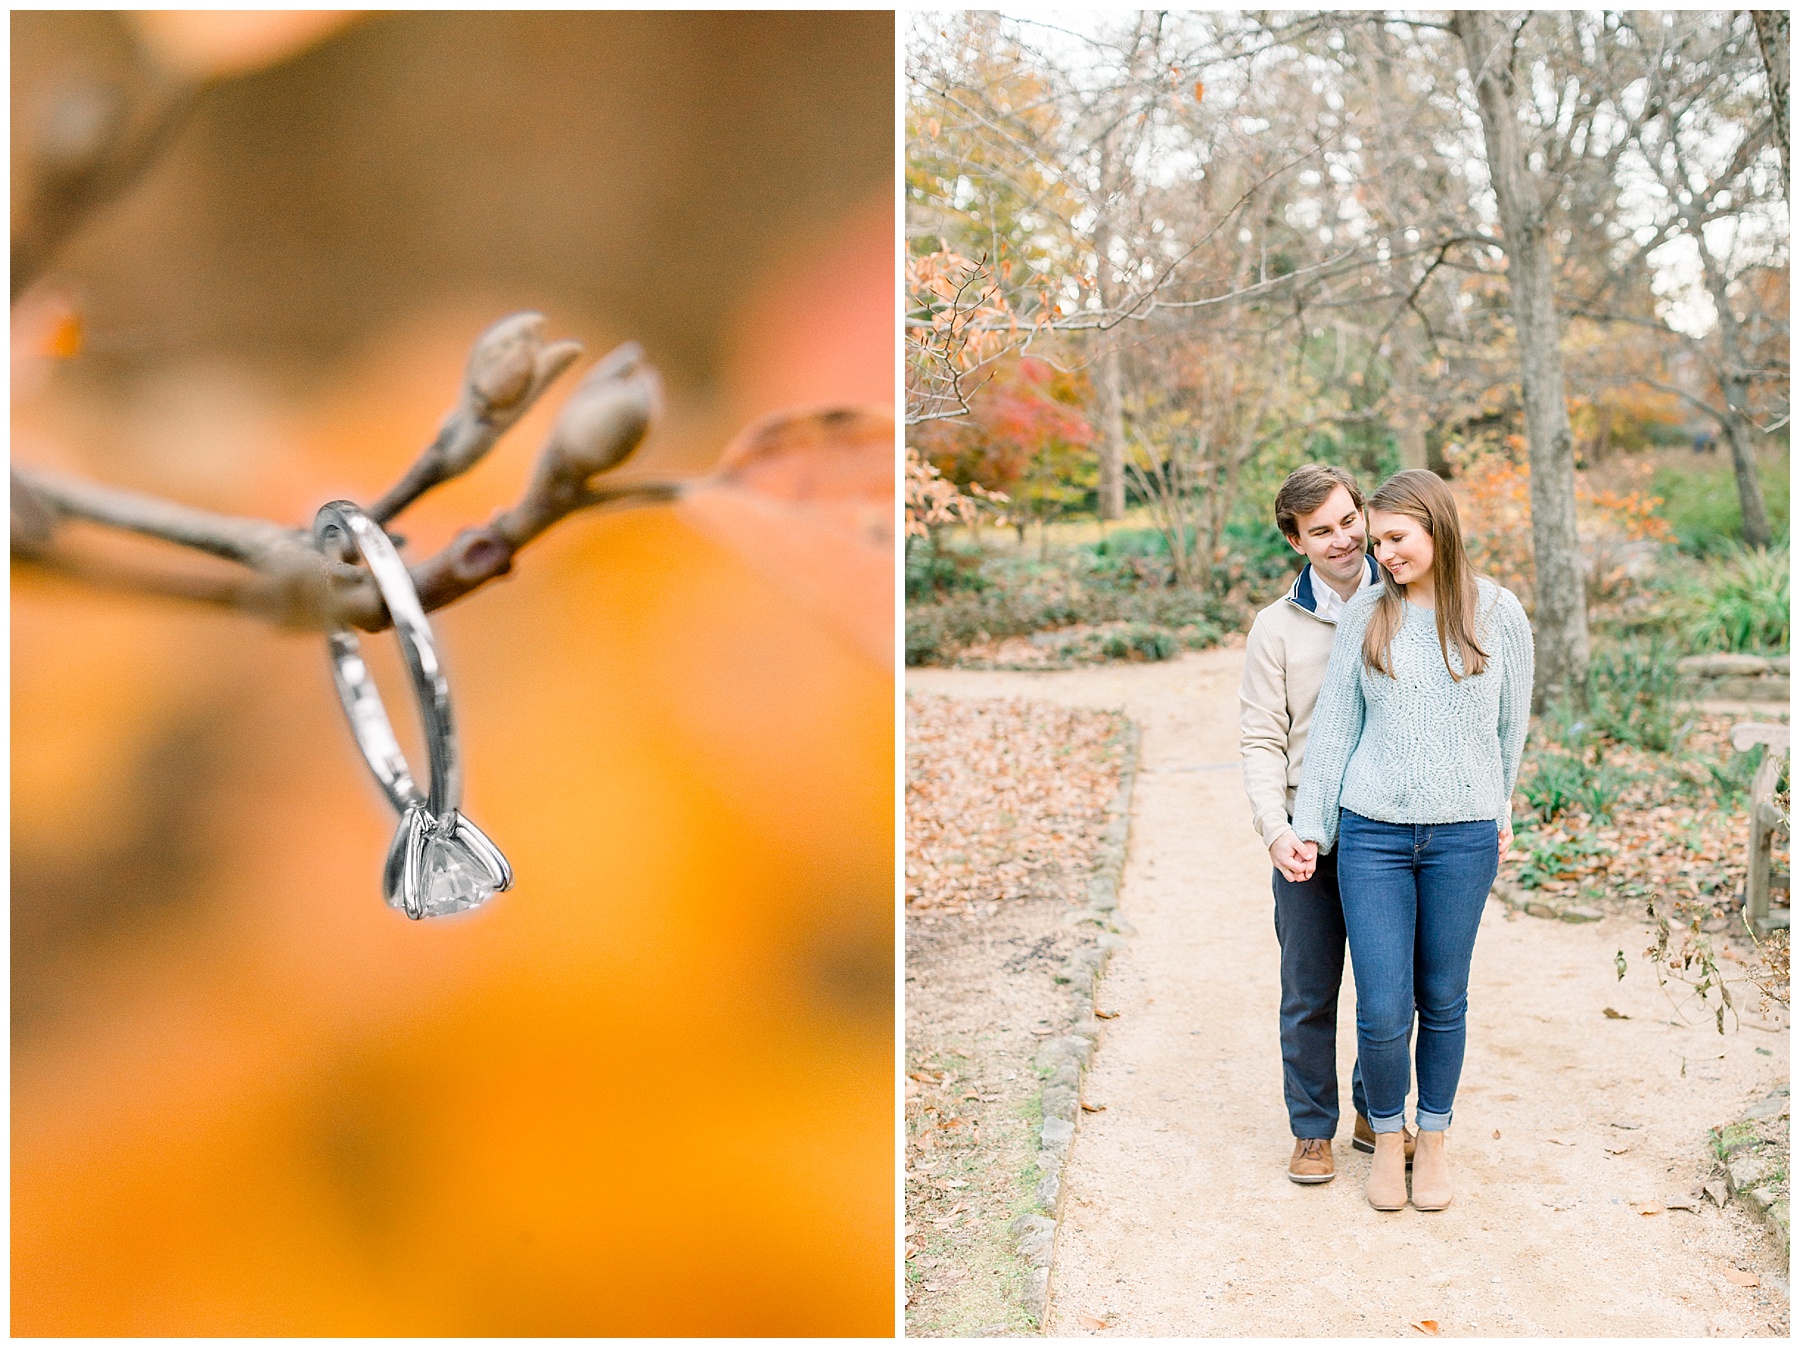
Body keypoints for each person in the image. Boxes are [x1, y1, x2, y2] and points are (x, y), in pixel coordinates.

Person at [1292, 469, 1534, 1212]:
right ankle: (1387, 1139)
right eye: (1379, 538)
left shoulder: (1499, 612)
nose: (1382, 552)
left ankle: (1433, 1141)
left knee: (1444, 997)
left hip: (1462, 837)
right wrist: (1311, 829)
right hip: (1374, 838)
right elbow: (1335, 728)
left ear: (1437, 527)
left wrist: (1499, 812)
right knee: (1383, 1006)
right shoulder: (1369, 609)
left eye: (1396, 538)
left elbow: (1510, 731)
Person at [1239, 463, 1413, 1186]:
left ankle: (1378, 1108)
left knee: (1389, 985)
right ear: (1294, 540)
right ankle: (1312, 1129)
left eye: (1349, 521)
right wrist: (1275, 829)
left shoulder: (1410, 600)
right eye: (1321, 531)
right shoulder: (1275, 629)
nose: (1343, 540)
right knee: (1309, 987)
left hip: (1392, 826)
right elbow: (1260, 738)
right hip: (1307, 834)